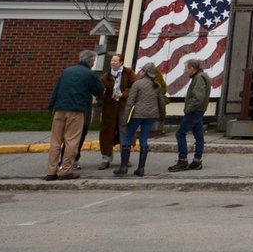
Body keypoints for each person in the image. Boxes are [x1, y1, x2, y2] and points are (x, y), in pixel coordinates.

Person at [45, 48, 104, 181]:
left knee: (55, 141)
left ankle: (51, 171)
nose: (94, 63)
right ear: (90, 61)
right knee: (71, 140)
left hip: (59, 109)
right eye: (93, 60)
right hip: (76, 110)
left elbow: (56, 89)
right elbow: (99, 90)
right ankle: (66, 170)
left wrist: (51, 106)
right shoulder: (89, 74)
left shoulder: (67, 71)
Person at [114, 63, 165, 177]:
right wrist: (162, 116)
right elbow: (161, 102)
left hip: (137, 115)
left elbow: (130, 102)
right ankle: (141, 168)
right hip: (150, 115)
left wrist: (125, 118)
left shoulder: (137, 84)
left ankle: (123, 167)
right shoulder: (157, 85)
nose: (139, 72)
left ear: (145, 72)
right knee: (144, 139)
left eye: (141, 70)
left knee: (128, 136)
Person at [168, 58, 210, 172]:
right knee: (198, 135)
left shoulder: (199, 78)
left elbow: (198, 97)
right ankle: (197, 161)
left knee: (180, 133)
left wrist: (188, 109)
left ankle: (183, 160)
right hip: (199, 110)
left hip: (194, 111)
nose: (185, 71)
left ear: (192, 68)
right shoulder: (201, 76)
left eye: (186, 68)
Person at [96, 53, 135, 170]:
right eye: (112, 61)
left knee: (124, 130)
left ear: (121, 62)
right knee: (106, 131)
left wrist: (123, 94)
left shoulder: (128, 73)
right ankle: (106, 158)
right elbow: (100, 93)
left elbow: (134, 87)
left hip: (123, 106)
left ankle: (125, 157)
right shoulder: (105, 77)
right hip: (110, 107)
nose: (113, 63)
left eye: (115, 61)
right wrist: (103, 94)